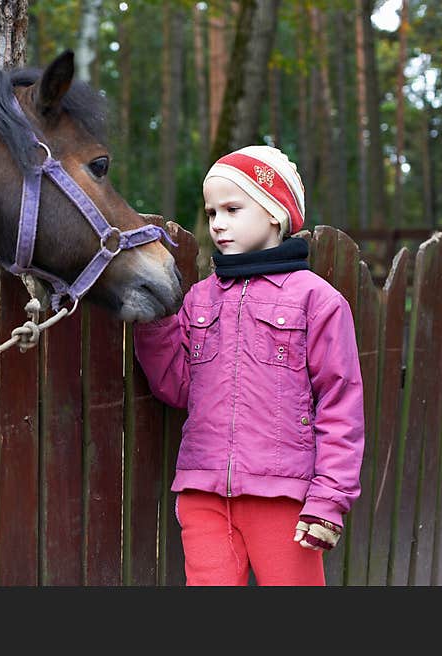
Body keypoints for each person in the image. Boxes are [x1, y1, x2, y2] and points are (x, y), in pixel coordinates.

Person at [134, 145, 364, 586]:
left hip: (283, 496)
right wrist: (155, 321)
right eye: (212, 211)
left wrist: (328, 500)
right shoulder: (200, 298)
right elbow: (177, 387)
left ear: (275, 214)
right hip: (203, 493)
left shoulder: (316, 301)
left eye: (233, 209)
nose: (218, 222)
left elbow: (341, 405)